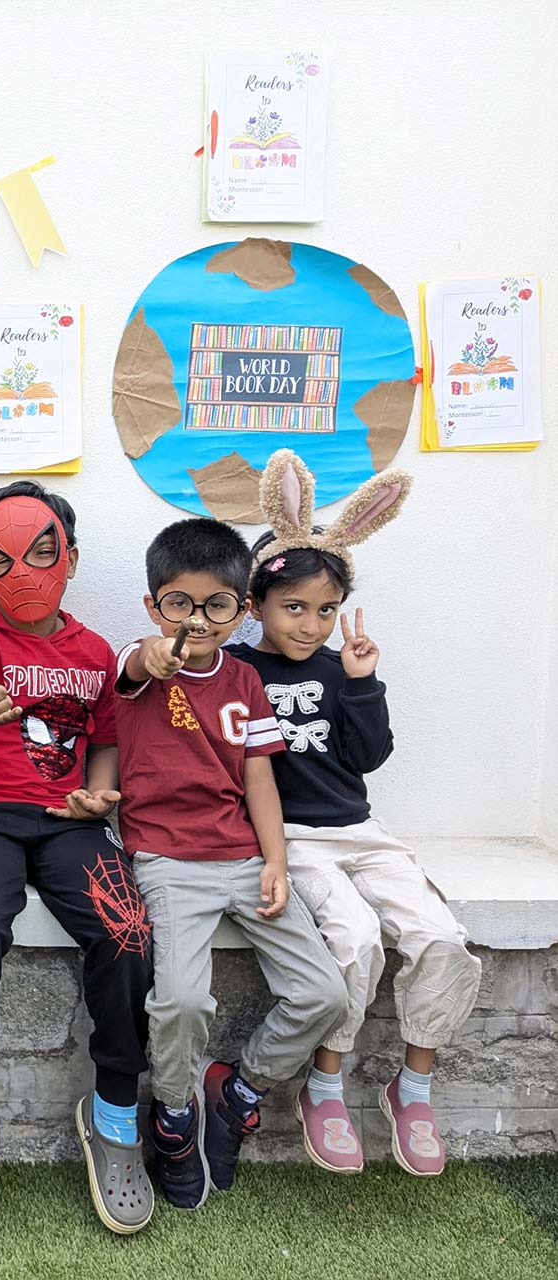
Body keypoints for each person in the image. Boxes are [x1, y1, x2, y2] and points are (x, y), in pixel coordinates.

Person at [230, 450, 478, 1178]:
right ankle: (326, 1084)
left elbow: (368, 758)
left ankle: (413, 1087)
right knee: (356, 938)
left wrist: (363, 682)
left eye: (326, 610)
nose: (311, 625)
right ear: (255, 605)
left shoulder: (341, 672)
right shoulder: (238, 673)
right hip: (294, 839)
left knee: (440, 937)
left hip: (360, 833)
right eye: (294, 607)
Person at [0, 482, 154, 1235]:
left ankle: (114, 1113)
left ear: (70, 558)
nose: (23, 572)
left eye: (42, 553)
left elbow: (107, 739)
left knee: (126, 934)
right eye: (1, 559)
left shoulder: (94, 652)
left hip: (67, 820)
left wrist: (99, 794)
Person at [119, 516, 347, 1211]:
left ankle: (238, 1089)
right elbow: (136, 665)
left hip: (244, 857)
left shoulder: (244, 679)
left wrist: (275, 860)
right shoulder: (138, 664)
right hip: (167, 860)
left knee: (324, 993)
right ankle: (173, 1114)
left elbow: (258, 777)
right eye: (179, 604)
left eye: (215, 605)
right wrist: (155, 655)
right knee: (181, 1000)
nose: (196, 620)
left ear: (240, 608)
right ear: (153, 605)